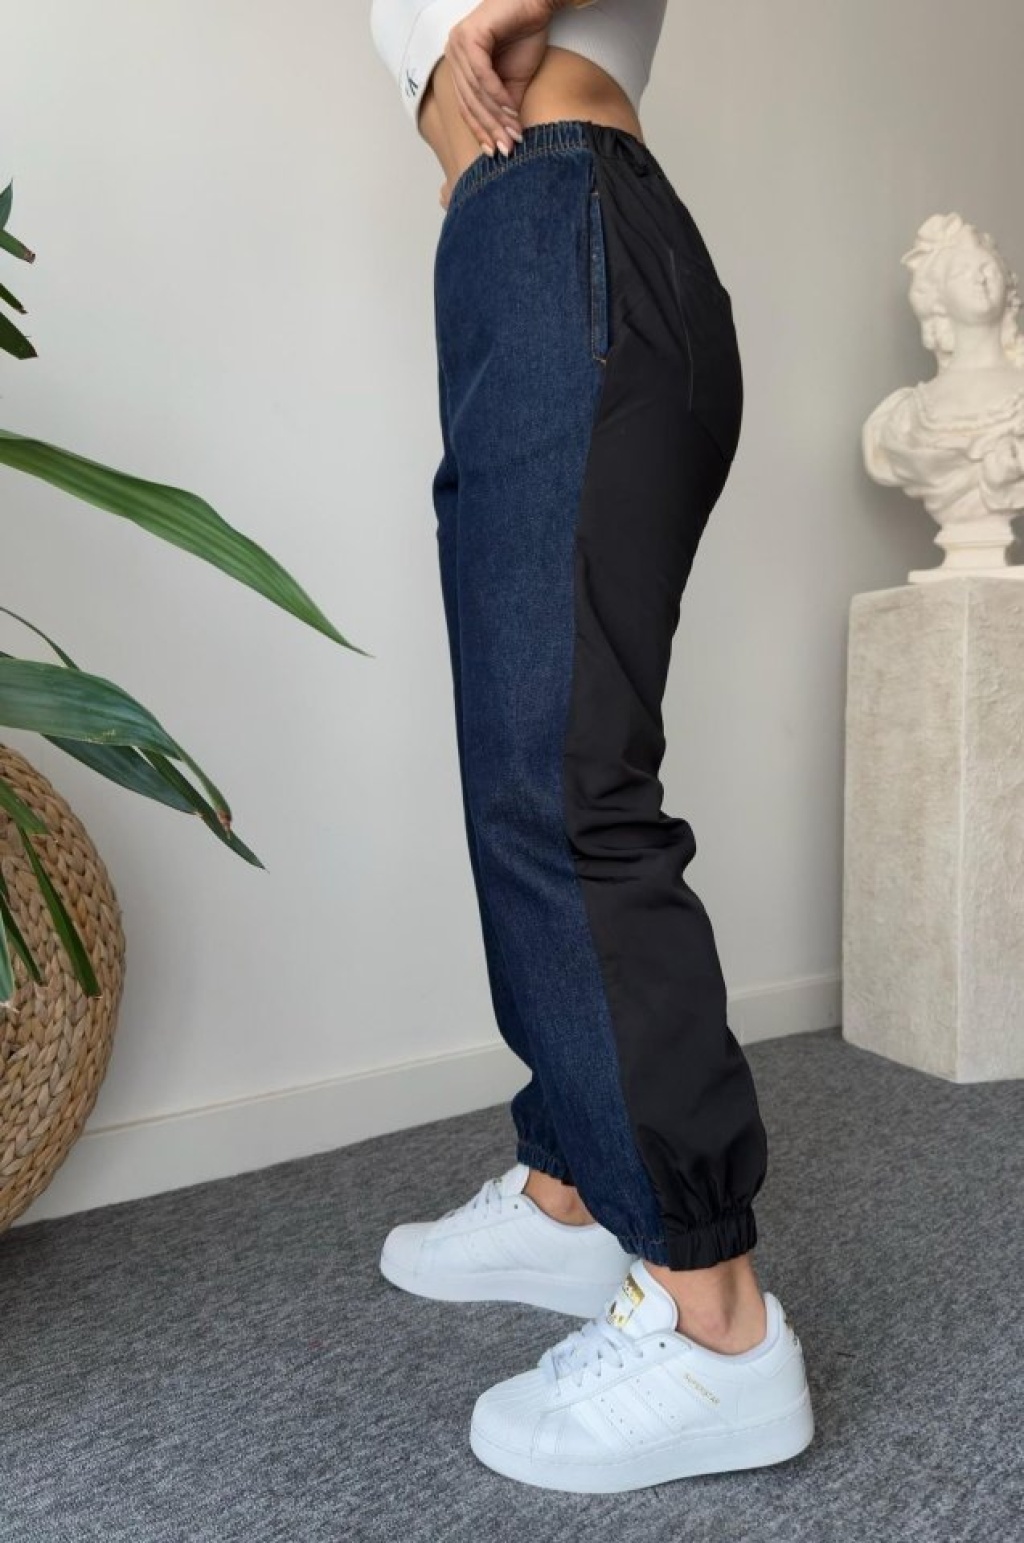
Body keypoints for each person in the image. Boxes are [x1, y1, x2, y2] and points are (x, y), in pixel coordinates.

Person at [369, 0, 814, 1492]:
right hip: (526, 242)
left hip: (564, 222)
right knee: (526, 763)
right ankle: (572, 1195)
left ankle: (716, 1326)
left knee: (562, 791)